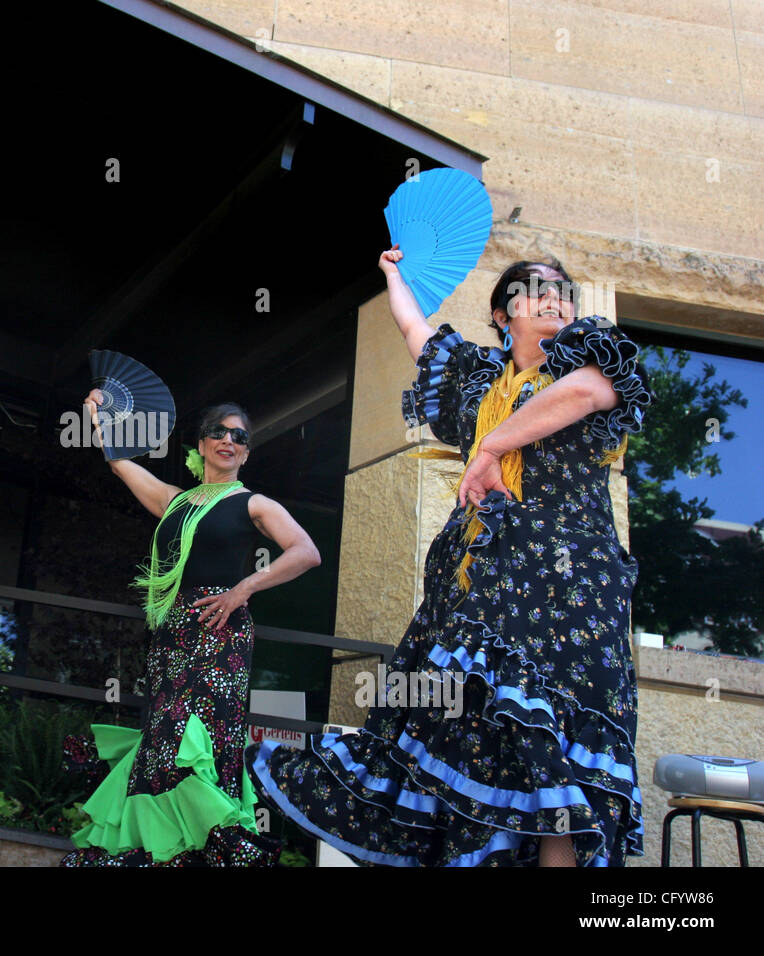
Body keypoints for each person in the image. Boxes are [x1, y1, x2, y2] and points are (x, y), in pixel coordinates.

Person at [247, 249, 652, 866]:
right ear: (501, 313)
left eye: (563, 293)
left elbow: (584, 394)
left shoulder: (593, 356)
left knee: (557, 757)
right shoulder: (475, 380)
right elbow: (415, 332)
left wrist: (492, 445)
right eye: (534, 291)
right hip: (479, 591)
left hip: (569, 597)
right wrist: (393, 278)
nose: (554, 301)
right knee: (465, 743)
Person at [61, 395, 321, 866]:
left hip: (220, 633)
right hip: (172, 636)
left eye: (239, 437)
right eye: (219, 433)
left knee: (193, 736)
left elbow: (305, 551)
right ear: (201, 444)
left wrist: (243, 589)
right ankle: (166, 853)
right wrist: (99, 415)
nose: (228, 441)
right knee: (164, 738)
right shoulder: (173, 501)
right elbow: (119, 462)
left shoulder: (253, 503)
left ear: (246, 453)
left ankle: (208, 851)